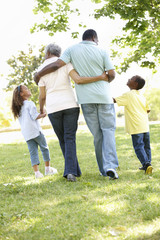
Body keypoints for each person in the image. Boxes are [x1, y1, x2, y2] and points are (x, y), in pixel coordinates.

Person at [34, 29, 119, 180]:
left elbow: (45, 90)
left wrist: (39, 76)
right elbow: (103, 75)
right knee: (97, 133)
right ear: (94, 37)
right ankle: (104, 167)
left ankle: (85, 170)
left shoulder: (65, 55)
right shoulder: (95, 53)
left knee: (87, 136)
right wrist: (101, 78)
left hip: (69, 103)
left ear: (47, 53)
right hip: (83, 101)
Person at [11, 85, 58, 179]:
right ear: (21, 94)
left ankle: (37, 173)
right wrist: (43, 115)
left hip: (27, 133)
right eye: (26, 89)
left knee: (33, 152)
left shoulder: (18, 107)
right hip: (36, 131)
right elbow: (34, 116)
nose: (28, 90)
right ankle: (47, 169)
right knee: (44, 148)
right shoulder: (30, 103)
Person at [113, 75, 152, 174]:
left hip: (136, 126)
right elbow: (148, 110)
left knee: (138, 146)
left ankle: (146, 164)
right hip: (144, 125)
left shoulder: (128, 95)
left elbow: (114, 100)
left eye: (131, 79)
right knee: (146, 146)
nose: (128, 79)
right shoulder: (141, 96)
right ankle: (148, 164)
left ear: (135, 84)